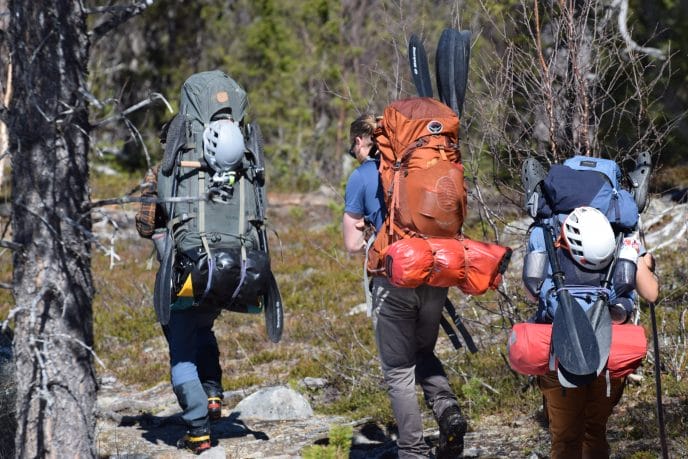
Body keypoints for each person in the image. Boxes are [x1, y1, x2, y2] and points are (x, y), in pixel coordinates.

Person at [342, 113, 467, 458]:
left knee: (398, 369)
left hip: (392, 279)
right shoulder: (420, 167)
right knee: (423, 352)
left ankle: (411, 451)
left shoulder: (362, 176)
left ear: (359, 142)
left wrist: (369, 229)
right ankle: (447, 412)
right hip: (434, 272)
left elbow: (352, 244)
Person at [525, 207, 660, 459]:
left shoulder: (546, 229)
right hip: (607, 350)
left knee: (565, 439)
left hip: (561, 350)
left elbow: (531, 292)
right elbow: (651, 293)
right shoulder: (620, 229)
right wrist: (647, 263)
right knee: (594, 431)